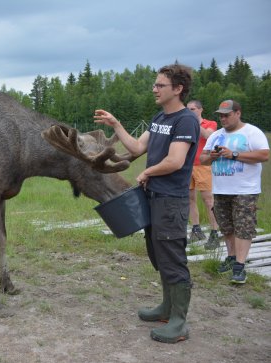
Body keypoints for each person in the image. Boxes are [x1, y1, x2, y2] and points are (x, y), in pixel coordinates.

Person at [94, 64, 199, 344]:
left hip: (171, 200)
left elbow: (176, 161)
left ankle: (179, 321)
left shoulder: (185, 121)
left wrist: (147, 172)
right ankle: (166, 308)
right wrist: (116, 124)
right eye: (155, 84)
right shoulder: (159, 118)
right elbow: (137, 149)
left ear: (177, 89)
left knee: (173, 257)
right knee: (159, 254)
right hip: (153, 198)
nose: (154, 88)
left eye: (160, 85)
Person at [199, 100, 269, 284]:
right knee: (226, 226)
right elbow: (203, 159)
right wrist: (211, 157)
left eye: (226, 114)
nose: (223, 118)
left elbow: (264, 155)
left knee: (243, 227)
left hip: (245, 189)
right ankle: (231, 257)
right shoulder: (215, 135)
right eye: (220, 115)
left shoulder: (252, 132)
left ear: (238, 113)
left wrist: (235, 154)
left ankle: (240, 266)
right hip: (221, 188)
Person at [186, 100, 220, 249]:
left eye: (192, 109)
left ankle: (214, 233)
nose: (189, 111)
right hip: (187, 166)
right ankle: (196, 229)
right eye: (187, 110)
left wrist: (194, 122)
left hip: (203, 166)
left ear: (200, 110)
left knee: (208, 200)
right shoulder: (185, 123)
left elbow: (208, 136)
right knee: (189, 199)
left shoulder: (210, 123)